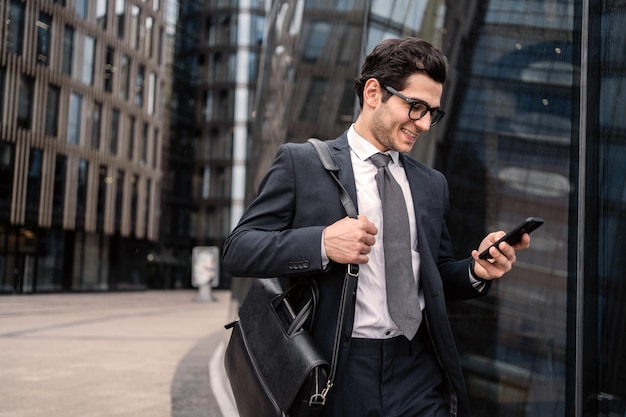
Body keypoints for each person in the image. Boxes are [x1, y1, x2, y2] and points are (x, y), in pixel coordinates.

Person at [222, 37, 531, 417]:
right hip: (341, 372)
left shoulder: (432, 184)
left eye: (432, 112)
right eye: (415, 107)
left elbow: (432, 274)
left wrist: (476, 271)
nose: (422, 123)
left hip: (417, 368)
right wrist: (321, 243)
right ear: (373, 92)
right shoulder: (301, 164)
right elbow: (238, 250)